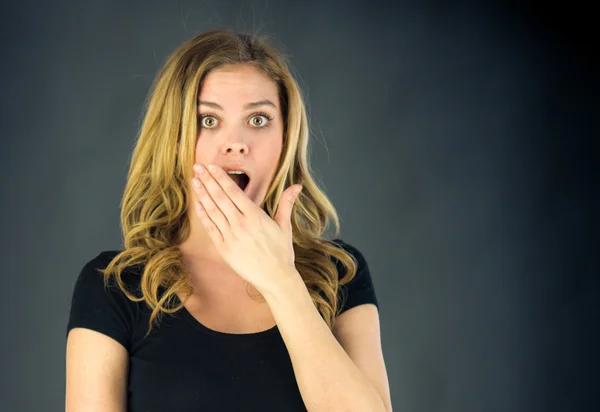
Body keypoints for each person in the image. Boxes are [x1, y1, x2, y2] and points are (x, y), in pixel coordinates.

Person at [65, 29, 393, 412]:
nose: (236, 143)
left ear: (285, 139)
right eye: (208, 120)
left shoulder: (339, 274)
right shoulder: (115, 286)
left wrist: (281, 280)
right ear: (173, 138)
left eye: (258, 119)